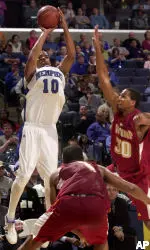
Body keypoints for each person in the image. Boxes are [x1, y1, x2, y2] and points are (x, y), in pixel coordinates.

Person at [5, 8, 75, 245]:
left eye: (47, 55)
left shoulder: (59, 72)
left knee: (50, 179)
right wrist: (46, 32)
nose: (44, 56)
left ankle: (45, 224)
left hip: (49, 129)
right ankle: (10, 218)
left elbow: (72, 55)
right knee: (24, 174)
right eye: (41, 55)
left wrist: (64, 26)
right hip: (33, 127)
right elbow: (33, 55)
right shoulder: (32, 73)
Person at [17, 144, 150, 250]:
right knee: (102, 242)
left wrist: (79, 234)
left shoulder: (55, 174)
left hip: (67, 205)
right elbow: (131, 188)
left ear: (63, 162)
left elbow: (56, 209)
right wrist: (147, 201)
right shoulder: (98, 168)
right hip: (95, 207)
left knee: (33, 242)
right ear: (83, 159)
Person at [93, 25, 150, 229]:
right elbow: (103, 78)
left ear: (133, 103)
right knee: (89, 181)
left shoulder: (138, 119)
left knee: (147, 219)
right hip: (117, 170)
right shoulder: (117, 110)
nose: (120, 98)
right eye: (121, 95)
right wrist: (97, 47)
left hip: (138, 175)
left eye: (124, 96)